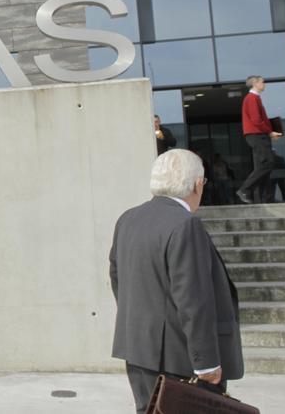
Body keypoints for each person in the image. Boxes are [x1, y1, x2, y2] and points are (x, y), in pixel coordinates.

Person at [110, 149, 243, 414]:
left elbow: (117, 277)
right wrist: (206, 363)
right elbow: (193, 299)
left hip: (138, 351)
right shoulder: (185, 224)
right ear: (196, 184)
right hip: (180, 360)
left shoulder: (128, 219)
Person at [236, 76, 282, 203]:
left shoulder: (253, 98)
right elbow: (256, 120)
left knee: (263, 165)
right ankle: (245, 189)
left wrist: (269, 132)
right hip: (257, 135)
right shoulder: (252, 98)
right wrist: (270, 132)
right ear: (255, 83)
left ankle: (265, 197)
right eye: (262, 82)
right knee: (268, 163)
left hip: (258, 135)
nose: (264, 84)